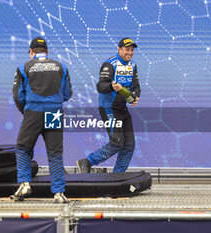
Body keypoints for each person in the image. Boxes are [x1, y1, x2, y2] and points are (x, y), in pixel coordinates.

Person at [11, 37, 72, 203]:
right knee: (55, 153)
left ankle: (24, 184)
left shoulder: (24, 67)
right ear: (47, 52)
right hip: (54, 112)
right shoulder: (61, 67)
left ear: (31, 52)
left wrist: (27, 111)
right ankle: (59, 193)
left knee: (23, 148)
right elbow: (67, 94)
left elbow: (18, 95)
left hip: (33, 112)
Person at [77, 37, 140, 173]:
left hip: (122, 108)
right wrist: (113, 87)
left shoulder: (133, 66)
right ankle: (87, 162)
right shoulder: (110, 64)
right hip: (109, 108)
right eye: (126, 49)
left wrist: (135, 96)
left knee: (129, 145)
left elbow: (136, 86)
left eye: (131, 50)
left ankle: (117, 176)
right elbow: (101, 86)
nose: (129, 52)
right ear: (119, 49)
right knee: (117, 142)